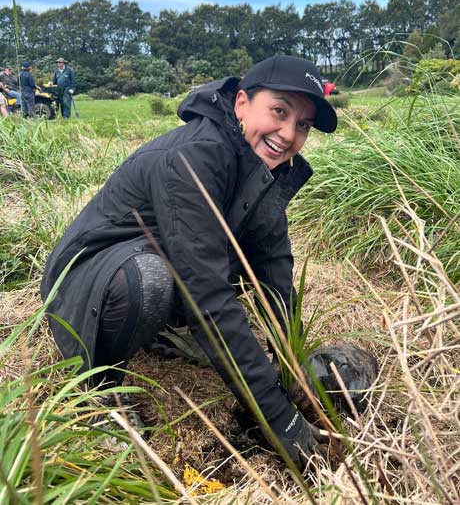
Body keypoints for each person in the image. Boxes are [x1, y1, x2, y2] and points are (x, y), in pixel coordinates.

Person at [41, 55, 376, 470]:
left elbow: (274, 271)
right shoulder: (195, 157)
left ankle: (160, 333)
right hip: (86, 282)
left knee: (209, 269)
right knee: (152, 282)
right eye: (279, 111)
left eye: (303, 125)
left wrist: (290, 368)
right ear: (240, 104)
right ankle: (97, 391)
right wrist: (279, 420)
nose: (288, 134)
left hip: (159, 261)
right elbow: (206, 293)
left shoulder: (262, 165)